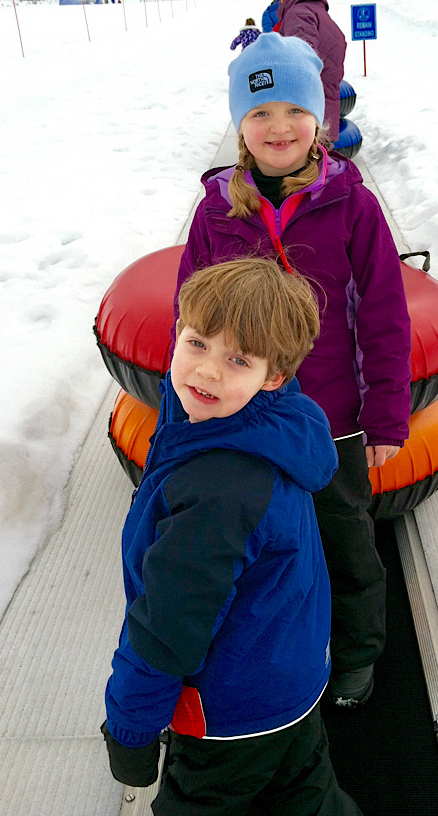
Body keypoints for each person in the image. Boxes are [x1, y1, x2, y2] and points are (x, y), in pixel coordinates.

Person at [171, 33, 412, 708]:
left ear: (321, 121)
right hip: (247, 416)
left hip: (331, 418)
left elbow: (387, 316)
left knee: (344, 538)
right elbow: (190, 317)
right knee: (259, 542)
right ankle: (265, 651)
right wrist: (187, 406)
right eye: (259, 112)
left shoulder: (353, 208)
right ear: (240, 127)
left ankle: (359, 650)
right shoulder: (216, 211)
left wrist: (385, 415)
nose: (279, 126)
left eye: (295, 111)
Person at [101, 258, 363, 815]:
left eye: (236, 359)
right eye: (197, 343)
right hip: (292, 678)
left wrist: (130, 731)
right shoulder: (272, 421)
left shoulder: (217, 495)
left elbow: (168, 626)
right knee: (305, 794)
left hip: (231, 710)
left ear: (273, 374)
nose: (207, 372)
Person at [274, 0, 346, 144]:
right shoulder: (319, 13)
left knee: (304, 171)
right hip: (323, 110)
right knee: (319, 167)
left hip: (309, 112)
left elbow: (302, 59)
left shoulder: (299, 14)